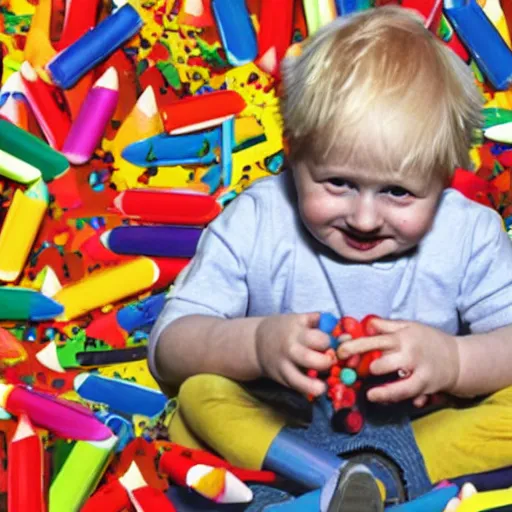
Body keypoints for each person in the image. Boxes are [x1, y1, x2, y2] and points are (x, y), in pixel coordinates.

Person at [148, 6, 512, 511]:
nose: (364, 218)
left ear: (444, 177)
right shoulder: (258, 217)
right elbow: (169, 349)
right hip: (280, 428)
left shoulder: (468, 232)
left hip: (421, 434)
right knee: (198, 399)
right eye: (338, 183)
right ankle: (319, 482)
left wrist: (454, 361)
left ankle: (369, 480)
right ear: (294, 152)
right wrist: (255, 345)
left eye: (398, 193)